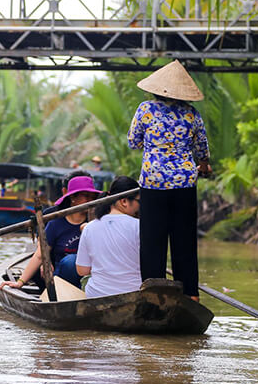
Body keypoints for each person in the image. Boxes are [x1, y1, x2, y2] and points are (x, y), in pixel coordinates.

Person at [128, 60, 211, 302]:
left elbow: (133, 141)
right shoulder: (191, 114)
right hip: (185, 183)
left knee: (152, 240)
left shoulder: (145, 109)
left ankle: (153, 294)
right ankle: (191, 295)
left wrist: (154, 147)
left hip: (153, 183)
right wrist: (204, 165)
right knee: (183, 240)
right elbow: (202, 149)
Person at [0, 175, 102, 291]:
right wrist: (20, 282)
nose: (90, 201)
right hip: (63, 276)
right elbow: (39, 255)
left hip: (91, 276)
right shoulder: (56, 223)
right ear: (73, 197)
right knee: (71, 261)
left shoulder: (97, 222)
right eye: (86, 196)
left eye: (93, 197)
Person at [75, 176, 142, 298]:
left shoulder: (89, 228)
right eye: (139, 201)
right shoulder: (139, 226)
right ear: (124, 201)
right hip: (135, 295)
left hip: (96, 295)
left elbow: (82, 271)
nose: (139, 207)